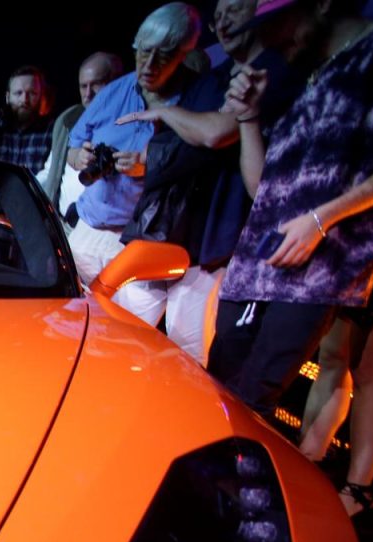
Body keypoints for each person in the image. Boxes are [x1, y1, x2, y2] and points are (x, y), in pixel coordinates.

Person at [208, 0, 373, 418]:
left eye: (279, 23)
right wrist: (248, 117)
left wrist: (322, 219)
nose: (270, 39)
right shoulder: (304, 74)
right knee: (217, 388)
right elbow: (261, 187)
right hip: (255, 262)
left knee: (253, 401)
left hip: (318, 269)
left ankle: (240, 482)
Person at [110, 0, 301, 363]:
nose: (224, 20)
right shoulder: (215, 78)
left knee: (189, 355)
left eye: (237, 8)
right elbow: (180, 144)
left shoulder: (271, 71)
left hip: (220, 240)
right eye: (220, 13)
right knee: (124, 331)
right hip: (176, 231)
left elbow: (215, 133)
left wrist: (165, 112)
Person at [66, 3, 203, 326]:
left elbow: (196, 163)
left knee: (121, 332)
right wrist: (80, 157)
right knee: (72, 325)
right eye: (143, 53)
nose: (149, 65)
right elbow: (73, 146)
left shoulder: (197, 98)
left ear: (184, 53)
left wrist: (146, 165)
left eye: (164, 55)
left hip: (136, 240)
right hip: (87, 230)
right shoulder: (115, 92)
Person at [297, 205, 373, 515]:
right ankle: (307, 460)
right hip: (348, 239)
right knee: (332, 357)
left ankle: (358, 489)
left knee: (372, 370)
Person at [38, 52, 122, 215]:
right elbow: (50, 171)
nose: (88, 93)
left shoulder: (131, 122)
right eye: (83, 86)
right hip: (62, 226)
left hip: (105, 228)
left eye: (96, 84)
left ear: (117, 82)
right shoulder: (68, 120)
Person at [0, 66, 54, 211]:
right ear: (8, 97)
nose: (24, 100)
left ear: (41, 97)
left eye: (32, 93)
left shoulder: (50, 132)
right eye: (18, 93)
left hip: (26, 217)